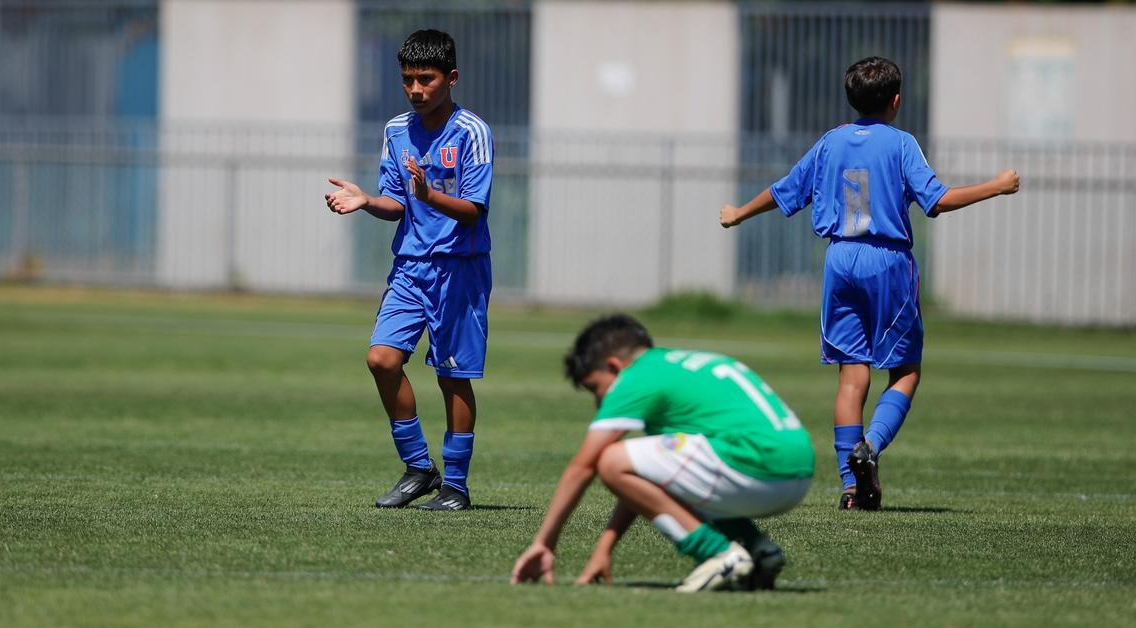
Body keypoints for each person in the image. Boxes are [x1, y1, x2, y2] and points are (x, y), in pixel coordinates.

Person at [718, 56, 1020, 510]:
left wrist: (739, 212)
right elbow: (937, 201)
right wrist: (996, 186)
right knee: (906, 370)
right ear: (896, 101)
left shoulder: (830, 143)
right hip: (887, 262)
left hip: (839, 260)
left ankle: (850, 487)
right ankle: (871, 447)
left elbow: (785, 190)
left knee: (851, 375)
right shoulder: (900, 144)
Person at [510, 314, 814, 592]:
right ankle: (758, 549)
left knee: (610, 459)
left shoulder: (637, 377)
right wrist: (603, 549)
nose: (599, 403)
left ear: (614, 367)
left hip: (756, 465)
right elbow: (649, 479)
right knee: (632, 462)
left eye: (596, 389)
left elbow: (585, 466)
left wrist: (544, 542)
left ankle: (720, 555)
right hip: (796, 470)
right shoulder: (678, 364)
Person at [324, 29, 494, 511]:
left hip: (460, 269)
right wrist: (365, 201)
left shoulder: (472, 133)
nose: (416, 90)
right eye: (408, 80)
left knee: (451, 377)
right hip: (411, 266)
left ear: (451, 78)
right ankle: (419, 467)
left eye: (427, 79)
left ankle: (456, 487)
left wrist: (430, 196)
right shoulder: (396, 130)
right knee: (381, 359)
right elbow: (397, 202)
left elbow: (474, 210)